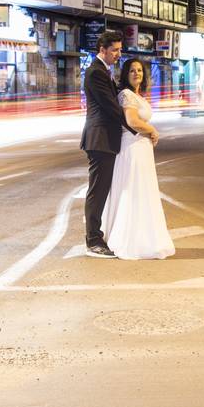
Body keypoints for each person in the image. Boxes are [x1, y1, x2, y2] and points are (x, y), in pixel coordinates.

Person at [101, 58, 175, 260]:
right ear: (125, 74)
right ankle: (129, 239)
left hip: (142, 148)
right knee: (133, 190)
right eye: (132, 70)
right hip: (132, 147)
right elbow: (132, 121)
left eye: (140, 70)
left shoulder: (137, 95)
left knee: (143, 191)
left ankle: (143, 236)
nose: (136, 73)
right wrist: (153, 130)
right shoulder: (126, 94)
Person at [80, 30, 135, 258]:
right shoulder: (96, 72)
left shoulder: (105, 71)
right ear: (102, 49)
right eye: (114, 50)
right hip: (100, 138)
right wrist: (135, 128)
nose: (118, 54)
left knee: (102, 190)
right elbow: (110, 107)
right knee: (97, 191)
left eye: (120, 50)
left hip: (105, 139)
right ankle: (93, 239)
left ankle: (97, 235)